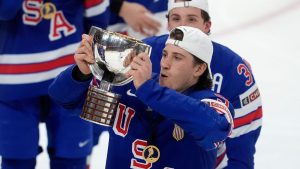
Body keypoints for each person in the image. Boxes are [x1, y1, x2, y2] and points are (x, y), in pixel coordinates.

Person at [49, 26, 235, 168]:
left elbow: (212, 129)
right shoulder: (127, 87)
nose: (165, 64)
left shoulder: (214, 103)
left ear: (199, 69)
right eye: (164, 54)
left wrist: (148, 89)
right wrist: (80, 74)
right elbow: (64, 98)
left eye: (177, 58)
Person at [142, 0, 263, 168]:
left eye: (191, 20)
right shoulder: (144, 52)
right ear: (168, 23)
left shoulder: (233, 69)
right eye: (176, 19)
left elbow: (243, 143)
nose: (184, 27)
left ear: (207, 25)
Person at [0, 0, 109, 169]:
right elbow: (4, 10)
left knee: (72, 158)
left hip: (71, 76)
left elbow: (99, 24)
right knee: (17, 160)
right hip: (15, 82)